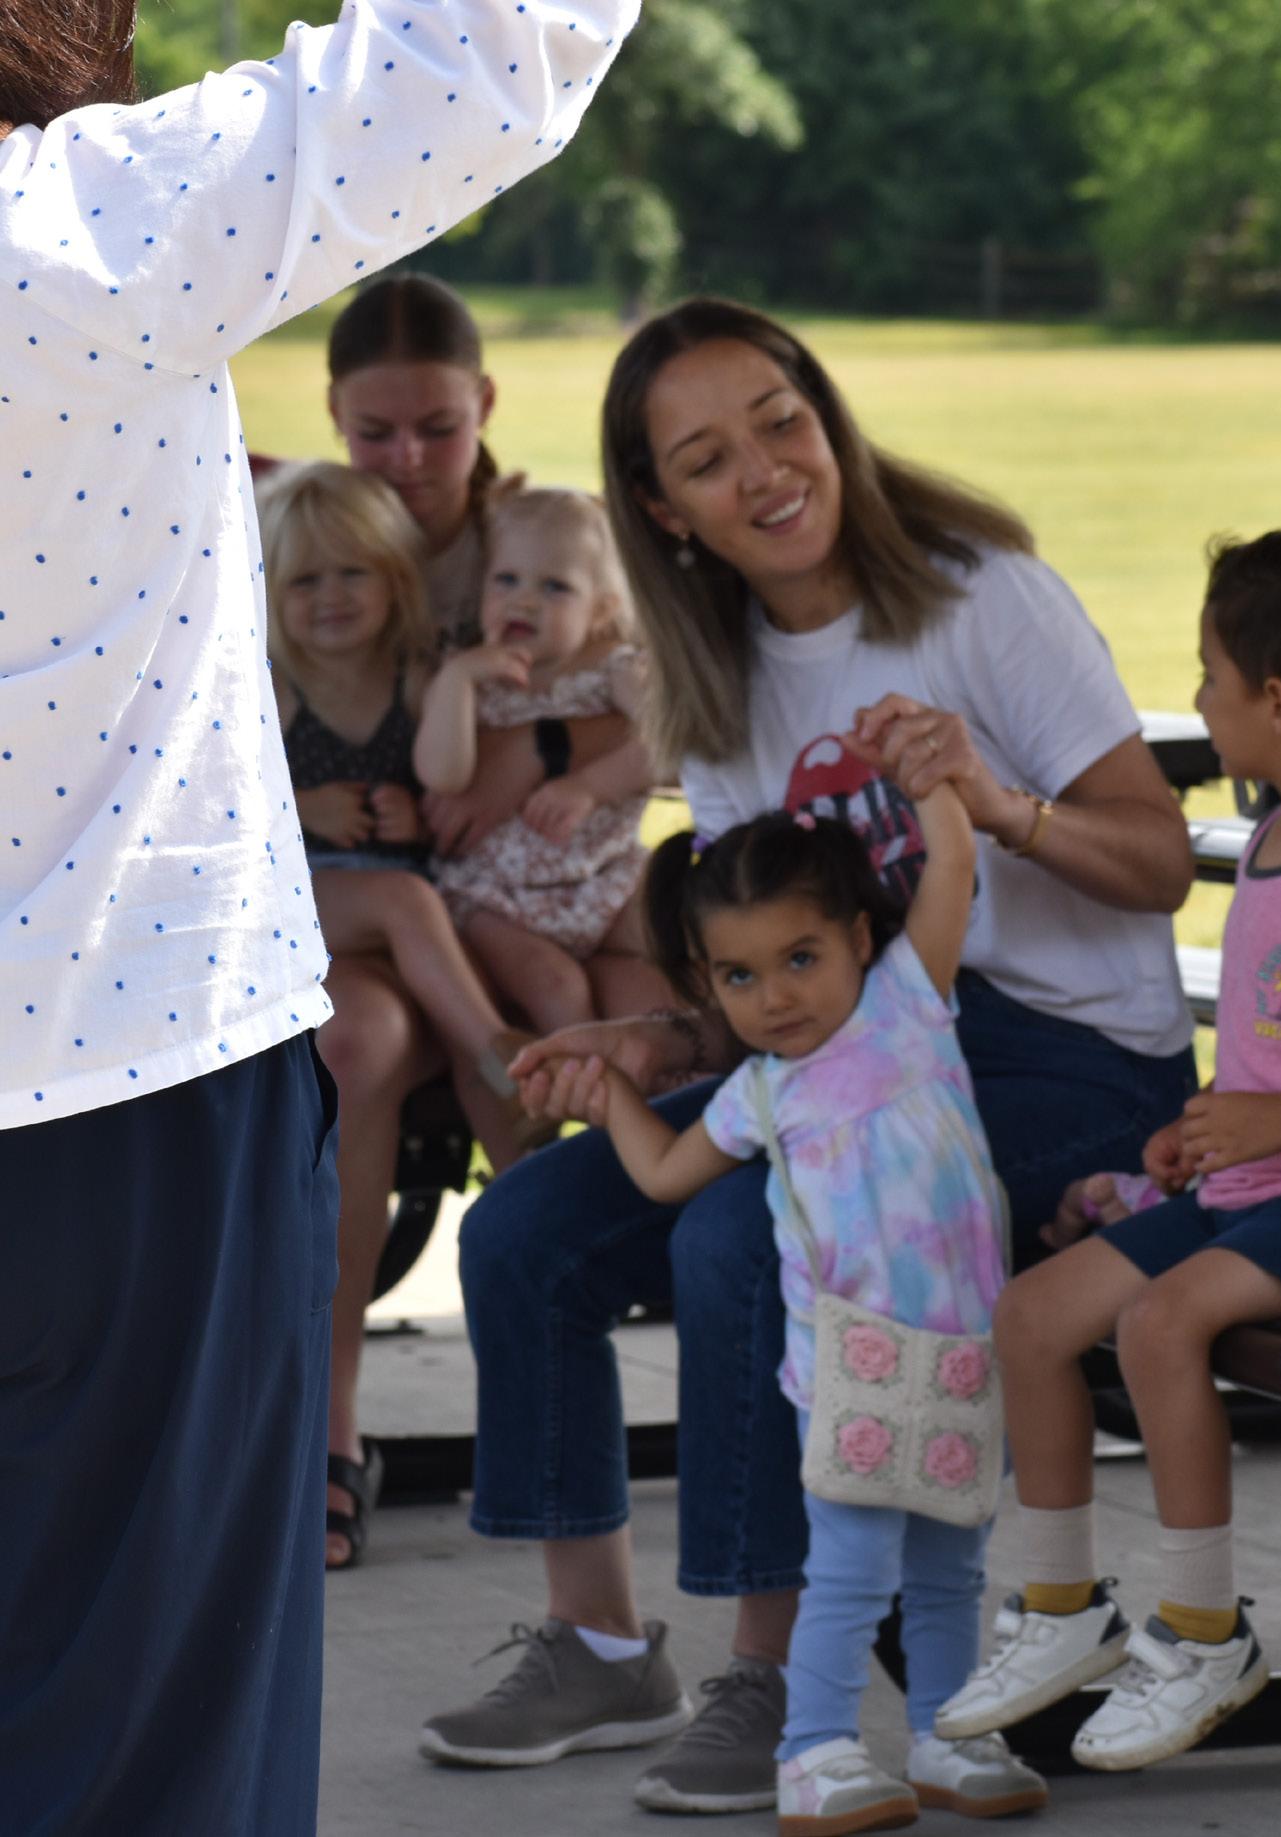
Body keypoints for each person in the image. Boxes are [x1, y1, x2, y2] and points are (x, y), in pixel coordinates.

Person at [418, 299, 1197, 1816]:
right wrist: (650, 1036)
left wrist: (1001, 804)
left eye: (781, 421)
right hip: (851, 1053)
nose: (766, 471)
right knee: (521, 1230)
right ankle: (598, 1643)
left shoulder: (984, 598)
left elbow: (1161, 861)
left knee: (745, 1232)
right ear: (663, 510)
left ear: (827, 416)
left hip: (1070, 1061)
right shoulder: (711, 679)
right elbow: (763, 978)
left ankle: (774, 1679)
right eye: (707, 459)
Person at [0, 1, 641, 1829]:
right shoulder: (92, 226)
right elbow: (498, 49)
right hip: (123, 1083)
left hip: (130, 1071)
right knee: (150, 1734)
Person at [931, 525, 1281, 1772]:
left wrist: (1274, 1123)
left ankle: (1201, 1632)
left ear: (1278, 703)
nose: (1195, 698)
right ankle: (1062, 1607)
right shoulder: (1277, 838)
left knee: (1157, 1322)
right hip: (1261, 1190)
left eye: (1209, 676)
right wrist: (1198, 1136)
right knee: (1030, 1314)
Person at [583, 801, 1050, 1832]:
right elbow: (663, 1173)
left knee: (950, 1567)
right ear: (707, 982)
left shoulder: (908, 1004)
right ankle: (815, 1750)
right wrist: (611, 1091)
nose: (776, 996)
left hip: (966, 1357)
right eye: (740, 976)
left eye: (800, 958)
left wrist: (936, 782)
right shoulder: (759, 1093)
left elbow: (954, 863)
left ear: (859, 938)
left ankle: (943, 1735)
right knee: (849, 1570)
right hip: (850, 1374)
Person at [317, 274, 661, 1566]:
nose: (408, 459)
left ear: (486, 407)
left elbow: (652, 689)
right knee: (355, 1042)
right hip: (376, 900)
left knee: (648, 1003)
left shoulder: (532, 537)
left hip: (530, 887)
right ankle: (330, 1427)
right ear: (334, 417)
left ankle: (597, 1376)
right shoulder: (318, 531)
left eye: (437, 428)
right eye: (376, 431)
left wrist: (535, 755)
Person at [261, 461, 550, 1564]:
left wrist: (421, 804)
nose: (330, 599)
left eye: (353, 575)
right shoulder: (264, 685)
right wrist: (307, 804)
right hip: (301, 916)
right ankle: (502, 1062)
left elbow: (467, 772)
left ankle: (528, 1365)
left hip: (394, 973)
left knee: (367, 1033)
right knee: (398, 900)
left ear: (394, 578)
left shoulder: (419, 675)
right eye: (303, 582)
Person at [416, 484, 673, 1030]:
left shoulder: (613, 668)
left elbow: (671, 745)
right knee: (557, 988)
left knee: (681, 941)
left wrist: (590, 786)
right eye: (506, 580)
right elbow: (443, 775)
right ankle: (570, 1084)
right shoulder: (470, 673)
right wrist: (457, 681)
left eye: (555, 587)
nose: (524, 601)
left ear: (600, 609)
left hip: (604, 879)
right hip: (494, 899)